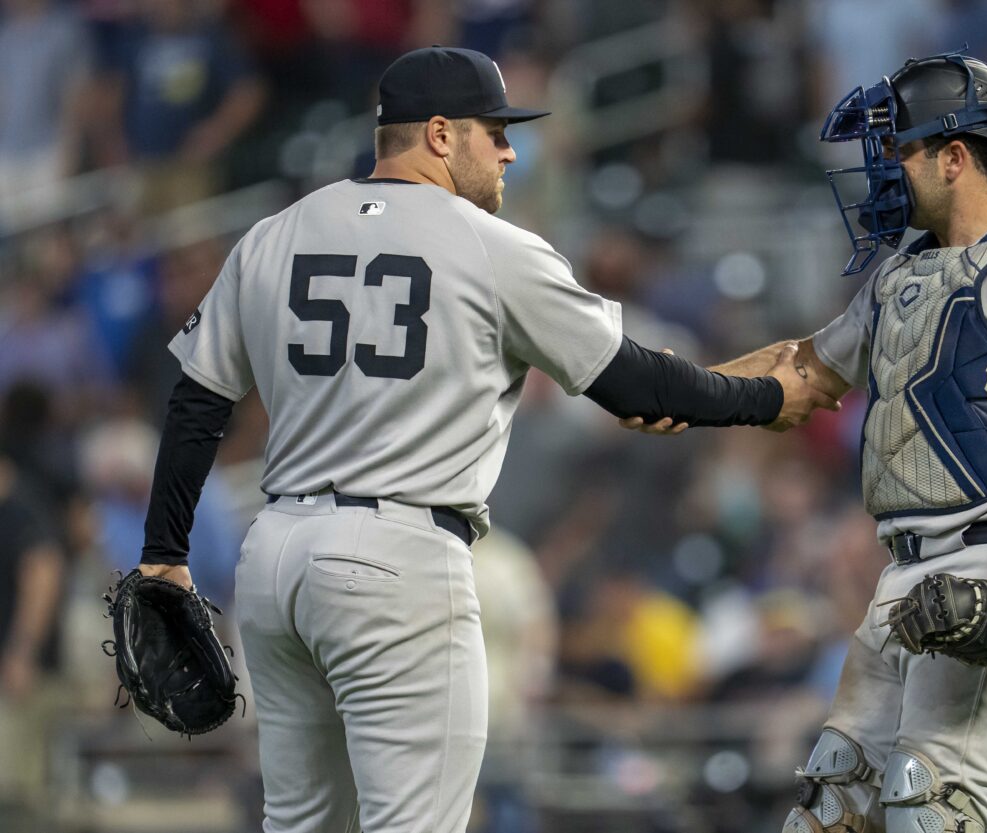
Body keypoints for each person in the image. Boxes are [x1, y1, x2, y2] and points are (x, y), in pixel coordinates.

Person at [132, 46, 831, 833]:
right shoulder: (491, 245)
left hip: (277, 558)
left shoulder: (275, 232)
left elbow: (195, 402)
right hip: (397, 558)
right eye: (494, 131)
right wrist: (765, 396)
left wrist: (164, 551)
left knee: (298, 824)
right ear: (438, 134)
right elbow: (635, 386)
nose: (509, 150)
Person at [627, 50, 987, 833]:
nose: (883, 169)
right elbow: (802, 379)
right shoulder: (905, 273)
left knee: (924, 807)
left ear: (955, 156)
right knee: (830, 810)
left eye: (898, 148)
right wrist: (680, 389)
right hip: (904, 582)